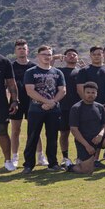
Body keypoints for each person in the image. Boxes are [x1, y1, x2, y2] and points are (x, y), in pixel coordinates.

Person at [20, 45, 66, 173]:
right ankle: (28, 165)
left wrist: (53, 102)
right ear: (38, 56)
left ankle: (53, 163)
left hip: (53, 110)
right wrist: (46, 101)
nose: (47, 57)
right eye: (44, 54)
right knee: (32, 137)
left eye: (49, 54)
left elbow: (62, 90)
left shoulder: (57, 72)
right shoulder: (31, 72)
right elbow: (30, 91)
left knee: (52, 137)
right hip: (36, 110)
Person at [67, 82, 105, 174]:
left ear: (96, 94)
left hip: (99, 138)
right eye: (88, 92)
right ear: (83, 93)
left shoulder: (99, 107)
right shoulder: (76, 108)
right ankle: (69, 166)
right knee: (87, 171)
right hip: (85, 141)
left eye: (93, 93)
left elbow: (104, 124)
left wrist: (100, 135)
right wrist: (87, 145)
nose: (90, 95)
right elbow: (74, 130)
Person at [8, 39, 36, 168]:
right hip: (16, 102)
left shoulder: (34, 67)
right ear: (15, 51)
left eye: (24, 48)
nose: (21, 50)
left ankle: (40, 155)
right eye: (19, 48)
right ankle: (15, 156)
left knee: (35, 130)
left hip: (33, 101)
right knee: (15, 130)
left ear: (27, 50)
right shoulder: (11, 67)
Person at [56, 48, 81, 169]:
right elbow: (46, 66)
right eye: (68, 55)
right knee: (64, 133)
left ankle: (80, 157)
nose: (71, 56)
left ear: (78, 57)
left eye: (74, 55)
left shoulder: (81, 72)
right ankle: (65, 157)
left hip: (78, 108)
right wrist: (55, 57)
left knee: (79, 134)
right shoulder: (59, 71)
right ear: (64, 58)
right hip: (63, 107)